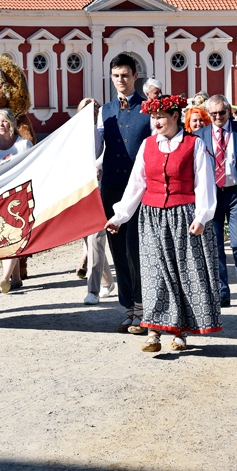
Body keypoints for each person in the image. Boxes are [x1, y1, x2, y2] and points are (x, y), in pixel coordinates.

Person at [105, 94, 220, 352]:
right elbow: (137, 185)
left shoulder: (194, 145)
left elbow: (205, 184)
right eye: (153, 117)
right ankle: (153, 331)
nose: (155, 122)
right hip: (152, 216)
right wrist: (119, 217)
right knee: (154, 273)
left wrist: (201, 217)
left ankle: (179, 332)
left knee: (181, 275)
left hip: (184, 216)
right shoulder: (147, 145)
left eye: (161, 117)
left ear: (175, 117)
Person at [96, 54, 152, 333]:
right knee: (118, 251)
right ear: (111, 77)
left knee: (136, 248)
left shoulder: (148, 109)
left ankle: (143, 307)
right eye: (116, 75)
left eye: (126, 75)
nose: (121, 80)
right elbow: (95, 149)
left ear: (135, 76)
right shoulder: (104, 111)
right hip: (113, 189)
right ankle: (128, 307)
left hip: (141, 191)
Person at [195, 94, 237, 306]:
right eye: (213, 113)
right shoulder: (200, 135)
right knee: (215, 245)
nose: (218, 117)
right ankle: (222, 290)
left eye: (222, 112)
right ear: (209, 114)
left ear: (229, 112)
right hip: (213, 194)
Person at [0, 108, 34, 292]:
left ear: (12, 123)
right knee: (6, 238)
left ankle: (4, 278)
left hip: (18, 199)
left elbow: (32, 172)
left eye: (4, 121)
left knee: (11, 237)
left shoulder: (23, 145)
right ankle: (16, 278)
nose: (0, 125)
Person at [76, 97, 115, 305]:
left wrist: (99, 167)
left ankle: (93, 290)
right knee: (91, 242)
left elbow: (105, 155)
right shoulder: (73, 137)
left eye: (95, 108)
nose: (91, 112)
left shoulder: (105, 130)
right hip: (82, 195)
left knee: (95, 240)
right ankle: (108, 282)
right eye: (86, 109)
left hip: (102, 192)